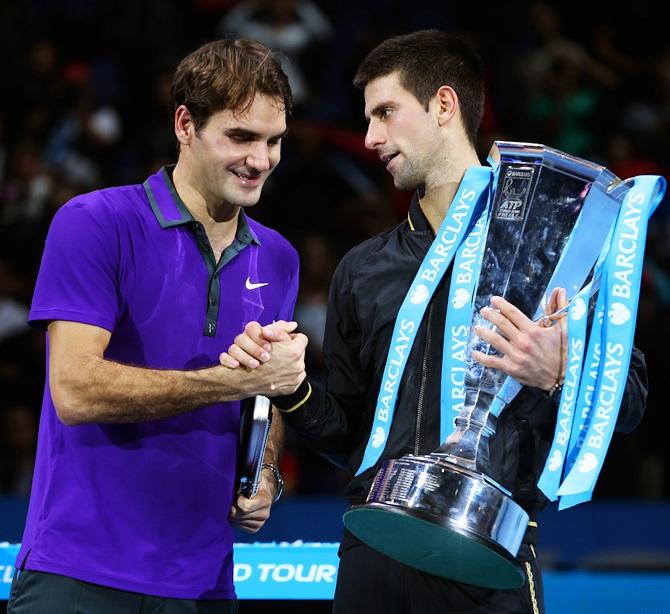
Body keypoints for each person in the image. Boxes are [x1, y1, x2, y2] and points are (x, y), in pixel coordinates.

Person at [220, 30, 648, 613]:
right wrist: (292, 388)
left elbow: (631, 404)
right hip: (372, 553)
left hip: (485, 559)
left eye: (386, 113)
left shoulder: (557, 248)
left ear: (443, 106)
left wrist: (561, 369)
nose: (370, 137)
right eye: (368, 118)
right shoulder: (363, 268)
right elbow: (349, 435)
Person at [8, 38, 308, 613]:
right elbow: (73, 389)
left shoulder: (279, 258)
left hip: (205, 582)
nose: (261, 159)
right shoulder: (94, 223)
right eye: (240, 137)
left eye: (274, 142)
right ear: (185, 124)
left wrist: (265, 470)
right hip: (79, 574)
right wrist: (231, 383)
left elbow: (263, 400)